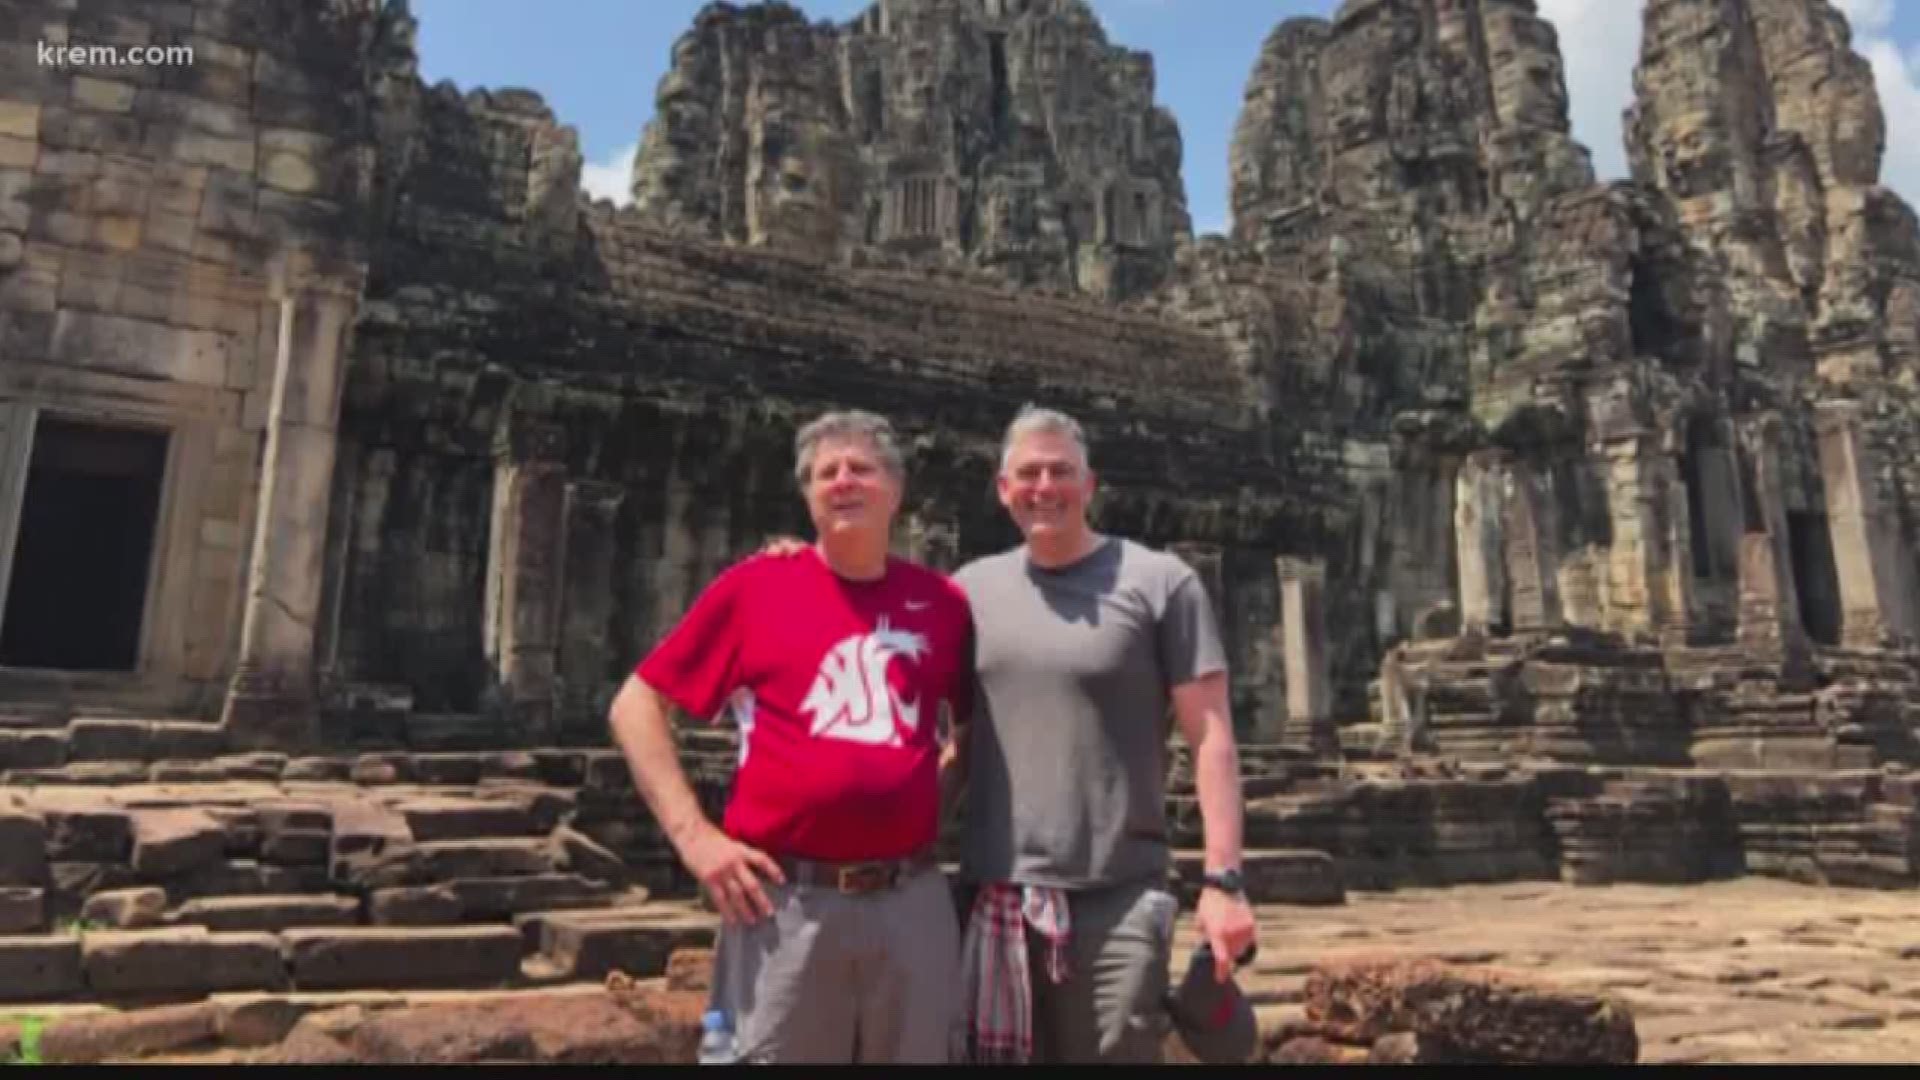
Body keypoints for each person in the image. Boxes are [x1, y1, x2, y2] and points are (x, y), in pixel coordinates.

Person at [606, 409, 973, 1063]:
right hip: (786, 904)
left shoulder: (944, 604)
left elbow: (968, 726)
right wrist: (696, 839)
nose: (843, 482)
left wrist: (920, 815)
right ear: (807, 496)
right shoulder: (757, 587)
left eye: (860, 467)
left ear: (897, 489)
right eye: (825, 472)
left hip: (912, 901)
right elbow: (637, 704)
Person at [947, 404, 1256, 1064]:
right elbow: (951, 735)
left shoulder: (1159, 583)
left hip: (1118, 893)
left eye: (1062, 471)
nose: (1044, 487)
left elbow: (1211, 737)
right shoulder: (967, 592)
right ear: (1003, 489)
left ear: (1090, 486)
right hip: (997, 892)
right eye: (1027, 473)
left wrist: (1223, 880)